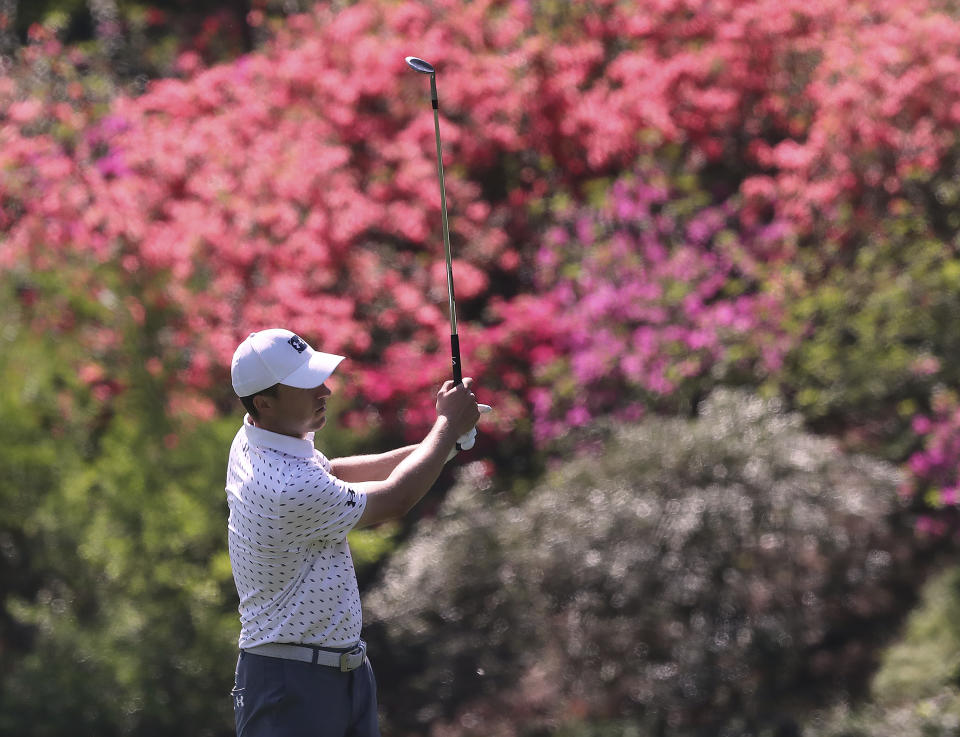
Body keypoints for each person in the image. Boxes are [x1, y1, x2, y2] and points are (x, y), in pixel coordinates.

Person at [225, 328, 482, 737]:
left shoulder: (259, 437)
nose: (325, 389)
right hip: (291, 688)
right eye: (307, 384)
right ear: (265, 403)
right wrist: (447, 427)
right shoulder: (283, 486)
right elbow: (394, 499)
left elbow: (333, 474)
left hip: (341, 674)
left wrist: (444, 442)